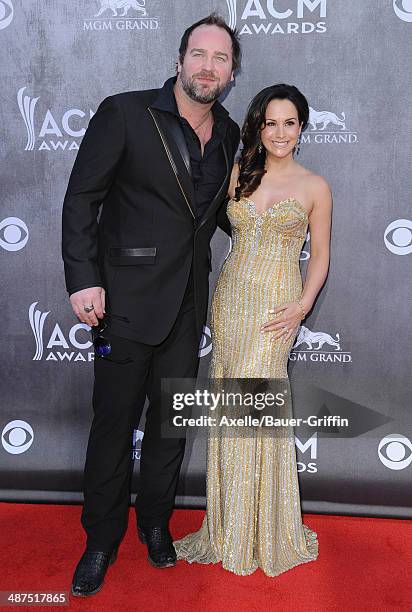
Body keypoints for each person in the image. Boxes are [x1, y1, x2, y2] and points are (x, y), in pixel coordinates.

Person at [61, 13, 241, 596]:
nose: (208, 67)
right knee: (114, 428)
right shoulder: (126, 112)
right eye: (199, 55)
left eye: (220, 59)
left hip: (189, 304)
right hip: (124, 301)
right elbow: (81, 198)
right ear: (179, 61)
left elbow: (218, 218)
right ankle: (100, 540)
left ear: (231, 72)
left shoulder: (233, 134)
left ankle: (156, 525)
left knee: (170, 428)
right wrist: (83, 279)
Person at [173, 84, 332, 576]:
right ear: (258, 127)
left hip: (277, 307)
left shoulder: (315, 187)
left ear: (302, 127)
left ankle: (264, 529)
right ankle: (229, 526)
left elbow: (321, 256)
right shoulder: (239, 173)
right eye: (271, 123)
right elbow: (199, 221)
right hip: (232, 300)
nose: (280, 132)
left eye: (289, 122)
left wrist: (302, 307)